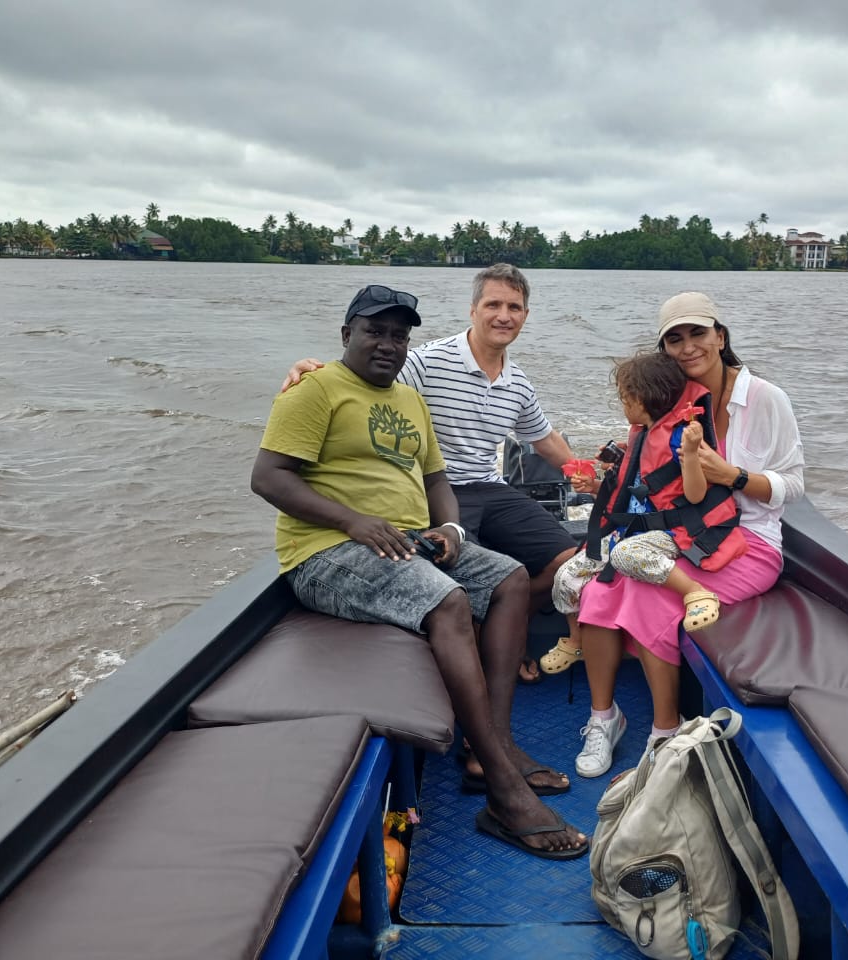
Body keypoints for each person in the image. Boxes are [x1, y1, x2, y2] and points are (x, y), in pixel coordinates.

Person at [252, 283, 586, 858]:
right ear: (346, 335)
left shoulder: (408, 400)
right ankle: (505, 793)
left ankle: (493, 747)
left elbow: (435, 479)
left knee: (507, 578)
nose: (387, 344)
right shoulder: (315, 391)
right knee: (449, 601)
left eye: (398, 335)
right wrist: (353, 521)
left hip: (407, 540)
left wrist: (451, 529)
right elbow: (269, 477)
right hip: (327, 553)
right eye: (374, 331)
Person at [283, 264, 579, 684]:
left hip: (489, 487)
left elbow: (545, 439)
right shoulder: (426, 361)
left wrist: (590, 474)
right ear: (473, 309)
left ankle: (507, 625)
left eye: (514, 307)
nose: (503, 315)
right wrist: (310, 369)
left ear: (525, 316)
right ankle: (495, 645)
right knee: (458, 579)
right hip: (435, 492)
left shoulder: (518, 383)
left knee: (570, 561)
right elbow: (363, 375)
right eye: (493, 304)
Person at [573, 292, 805, 778]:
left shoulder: (764, 399)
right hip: (680, 534)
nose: (688, 347)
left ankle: (665, 732)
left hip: (749, 543)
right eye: (674, 339)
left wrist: (733, 476)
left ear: (720, 336)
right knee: (598, 586)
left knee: (650, 597)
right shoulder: (672, 399)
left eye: (697, 333)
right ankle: (603, 718)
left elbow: (793, 487)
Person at [551, 350, 749, 667]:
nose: (623, 404)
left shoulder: (680, 438)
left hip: (671, 532)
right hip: (632, 528)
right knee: (565, 578)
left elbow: (696, 496)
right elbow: (632, 492)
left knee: (626, 555)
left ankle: (696, 592)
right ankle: (576, 640)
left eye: (625, 398)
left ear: (643, 400)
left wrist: (691, 455)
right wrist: (596, 487)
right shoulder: (641, 437)